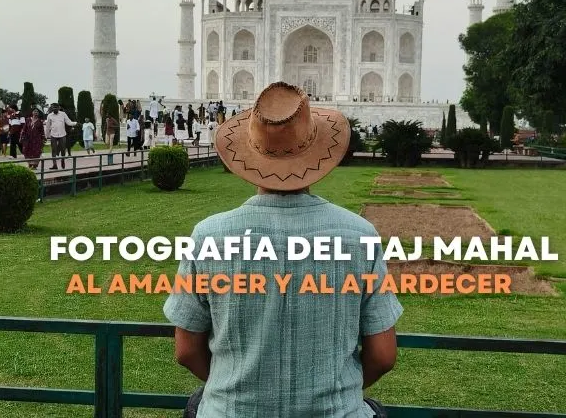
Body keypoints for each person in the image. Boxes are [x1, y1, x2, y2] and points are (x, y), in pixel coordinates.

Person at [164, 82, 401, 418]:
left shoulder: (209, 237)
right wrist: (331, 391)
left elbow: (187, 351)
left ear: (250, 156)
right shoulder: (358, 235)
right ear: (318, 153)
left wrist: (237, 388)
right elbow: (383, 355)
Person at [44, 103, 77, 170]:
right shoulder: (49, 115)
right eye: (53, 107)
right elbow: (47, 127)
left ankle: (62, 160)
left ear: (59, 108)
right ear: (52, 108)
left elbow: (69, 122)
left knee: (63, 149)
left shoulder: (63, 114)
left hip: (62, 134)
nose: (55, 108)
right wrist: (46, 136)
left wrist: (76, 123)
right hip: (53, 134)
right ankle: (54, 164)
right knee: (54, 150)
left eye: (56, 107)